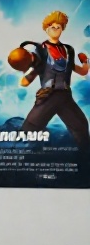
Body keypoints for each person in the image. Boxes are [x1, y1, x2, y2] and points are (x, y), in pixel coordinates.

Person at [19, 10, 90, 146]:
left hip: (65, 97)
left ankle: (84, 162)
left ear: (62, 28)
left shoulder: (68, 50)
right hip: (47, 97)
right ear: (46, 28)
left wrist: (85, 61)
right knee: (28, 131)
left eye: (59, 26)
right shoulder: (40, 49)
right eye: (53, 26)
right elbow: (32, 69)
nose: (56, 29)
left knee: (81, 128)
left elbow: (81, 71)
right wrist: (27, 75)